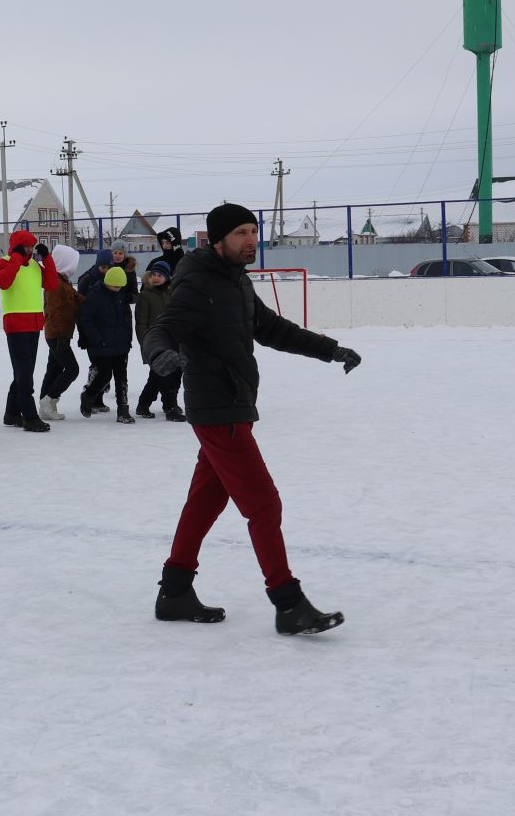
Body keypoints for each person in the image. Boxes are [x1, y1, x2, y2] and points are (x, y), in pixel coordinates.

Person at [142, 203, 361, 635]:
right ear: (217, 240)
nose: (251, 240)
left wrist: (328, 349)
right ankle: (287, 601)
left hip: (233, 402)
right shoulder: (198, 282)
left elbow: (273, 328)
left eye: (253, 231)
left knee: (207, 500)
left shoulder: (236, 282)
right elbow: (161, 328)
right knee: (264, 504)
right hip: (216, 406)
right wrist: (160, 355)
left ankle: (174, 592)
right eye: (241, 232)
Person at [0, 228, 58, 432]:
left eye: (32, 246)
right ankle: (29, 416)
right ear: (16, 246)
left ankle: (12, 413)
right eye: (26, 246)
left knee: (24, 371)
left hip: (34, 323)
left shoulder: (34, 265)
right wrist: (15, 258)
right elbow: (3, 282)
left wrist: (47, 259)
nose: (30, 249)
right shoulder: (4, 262)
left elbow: (51, 283)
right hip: (16, 324)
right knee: (24, 373)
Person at [77, 265, 136, 423]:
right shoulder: (95, 295)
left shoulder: (121, 295)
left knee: (121, 378)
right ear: (107, 282)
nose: (117, 289)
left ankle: (123, 410)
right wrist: (96, 339)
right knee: (104, 375)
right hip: (101, 345)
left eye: (120, 286)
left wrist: (127, 339)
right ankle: (88, 395)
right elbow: (86, 320)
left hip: (120, 344)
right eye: (115, 286)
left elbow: (126, 319)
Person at [134, 258, 185, 421]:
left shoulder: (172, 294)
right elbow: (141, 323)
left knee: (170, 375)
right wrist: (146, 344)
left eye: (160, 275)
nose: (155, 277)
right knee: (164, 376)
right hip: (155, 344)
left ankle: (146, 404)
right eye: (153, 274)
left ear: (167, 278)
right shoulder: (145, 296)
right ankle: (170, 407)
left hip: (173, 341)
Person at [38, 244, 83, 422]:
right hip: (57, 334)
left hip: (57, 333)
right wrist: (61, 336)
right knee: (72, 369)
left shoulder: (62, 281)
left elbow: (76, 299)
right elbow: (54, 310)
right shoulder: (55, 283)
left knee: (54, 368)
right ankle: (49, 400)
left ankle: (45, 405)